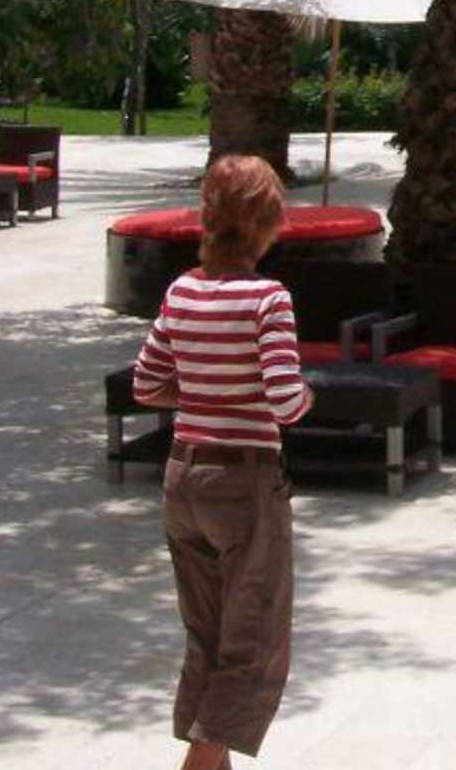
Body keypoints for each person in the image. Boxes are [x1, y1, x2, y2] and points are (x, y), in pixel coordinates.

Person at [133, 155, 312, 769]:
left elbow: (146, 384)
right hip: (244, 484)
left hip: (183, 478)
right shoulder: (269, 298)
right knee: (254, 645)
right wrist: (307, 396)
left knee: (206, 638)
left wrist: (203, 392)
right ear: (266, 223)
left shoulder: (181, 290)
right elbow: (285, 400)